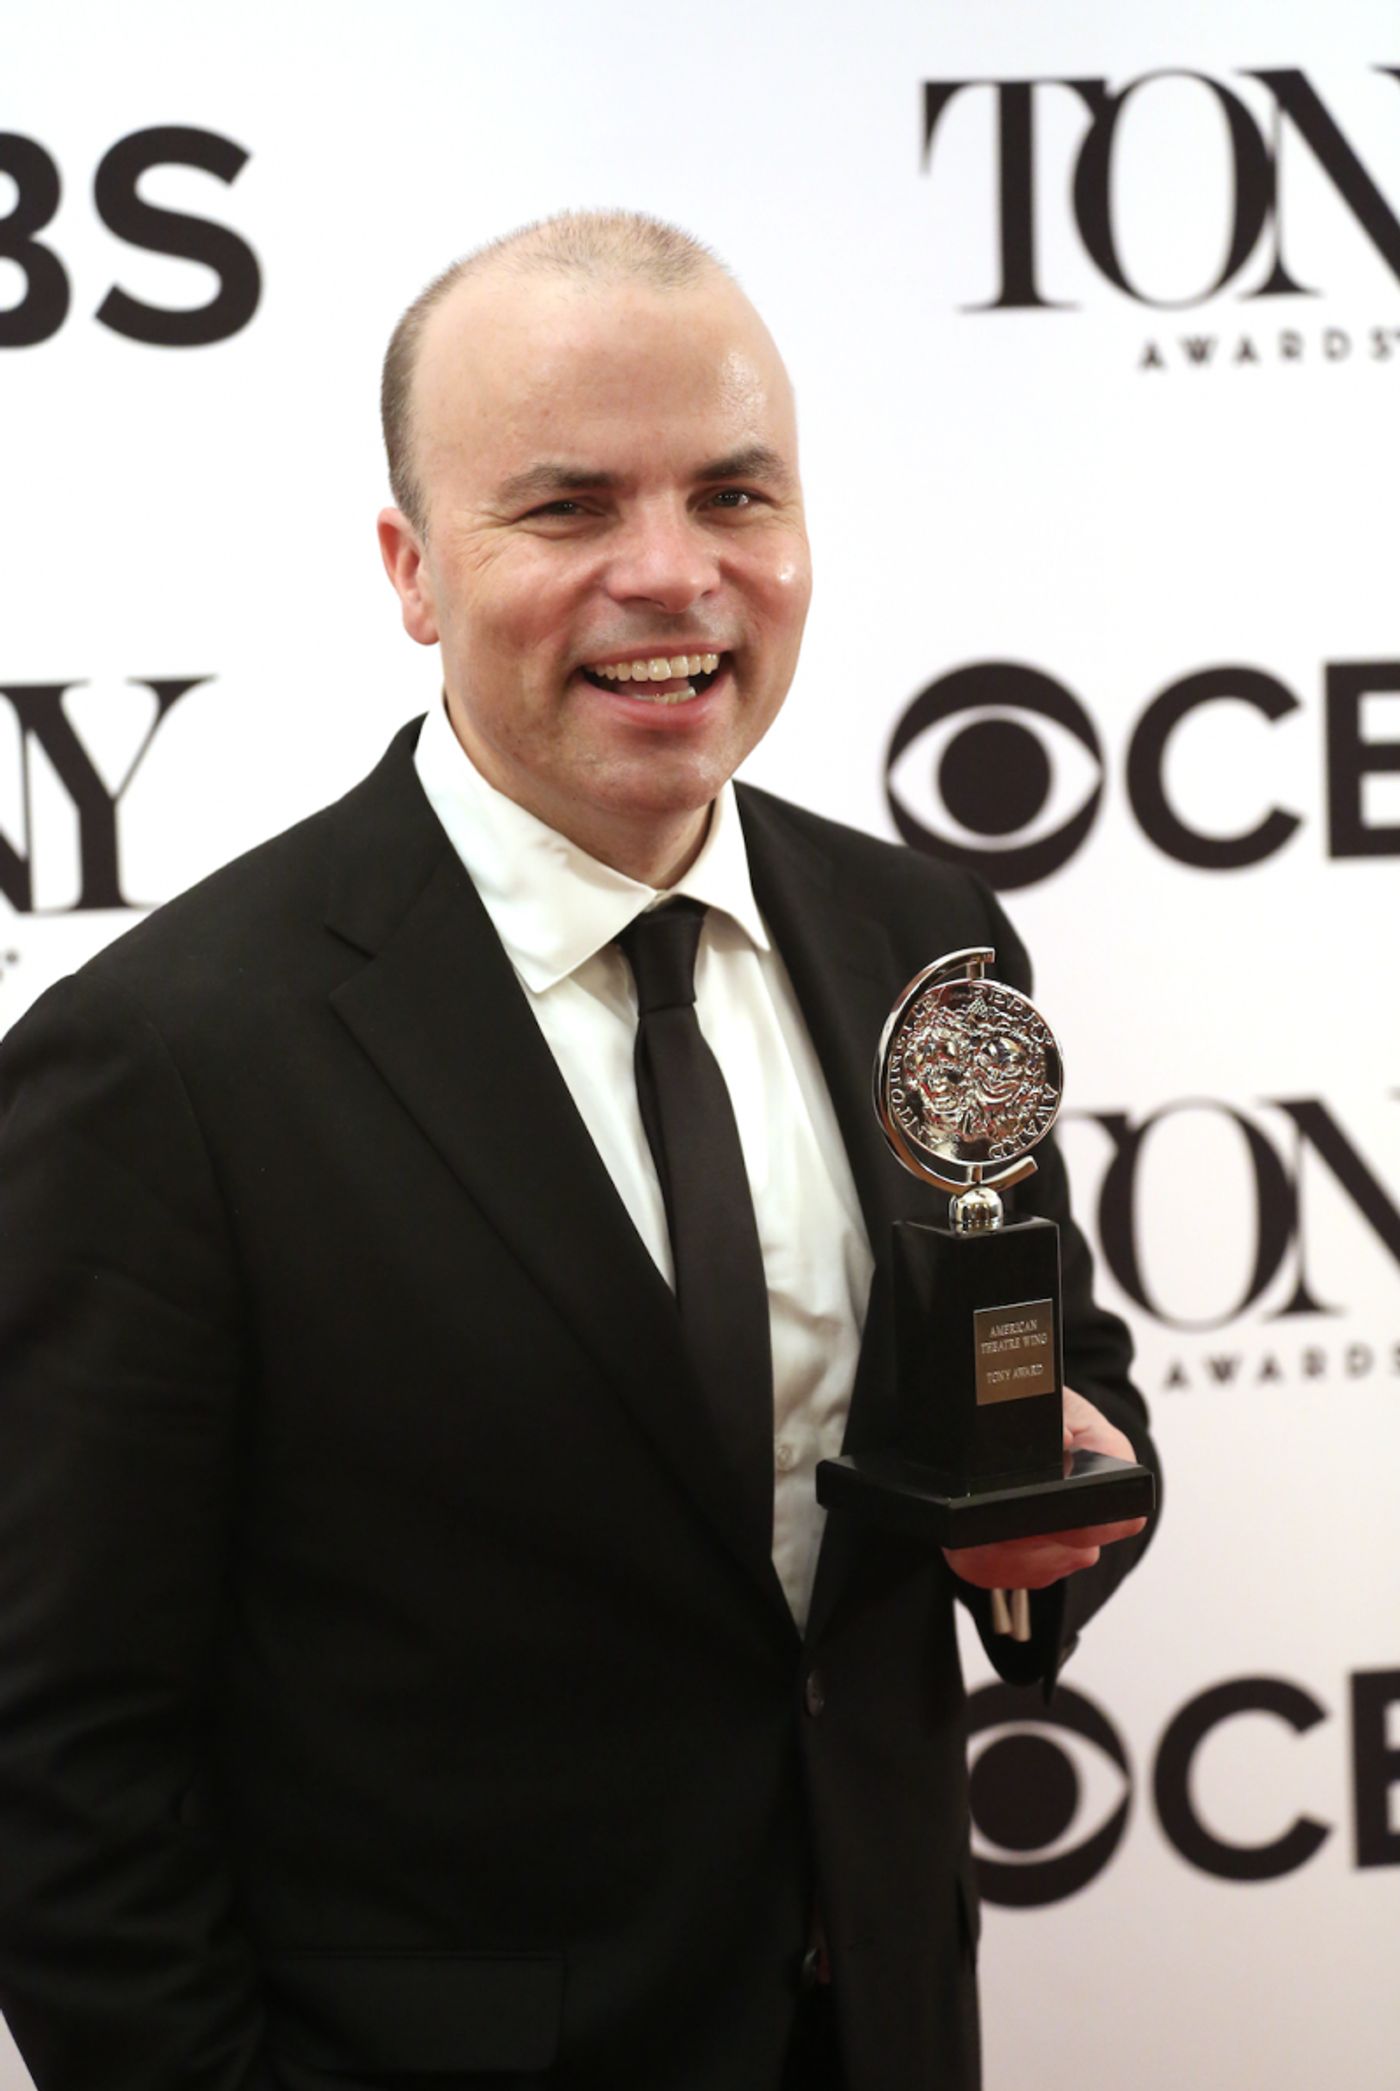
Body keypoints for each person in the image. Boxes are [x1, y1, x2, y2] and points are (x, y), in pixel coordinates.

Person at [0, 211, 1157, 2091]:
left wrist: (1058, 1518)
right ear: (412, 570)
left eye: (734, 494)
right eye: (564, 508)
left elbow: (1047, 1375)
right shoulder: (160, 1065)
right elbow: (58, 1755)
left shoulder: (920, 939)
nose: (671, 574)